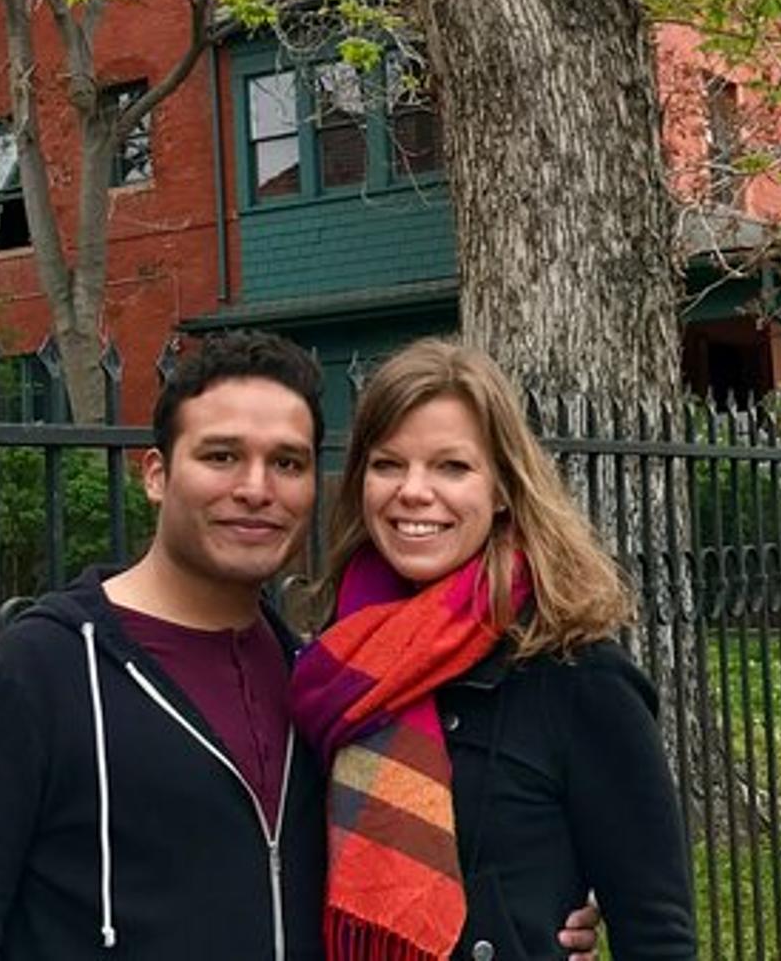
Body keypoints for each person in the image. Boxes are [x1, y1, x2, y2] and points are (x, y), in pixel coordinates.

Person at [0, 331, 601, 960]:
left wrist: (536, 915)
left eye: (287, 463)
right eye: (222, 455)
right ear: (157, 475)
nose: (256, 487)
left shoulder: (322, 683)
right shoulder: (41, 673)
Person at [291, 339, 697, 961]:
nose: (414, 492)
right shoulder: (329, 667)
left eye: (452, 467)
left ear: (504, 487)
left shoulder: (579, 675)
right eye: (388, 464)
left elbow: (658, 932)